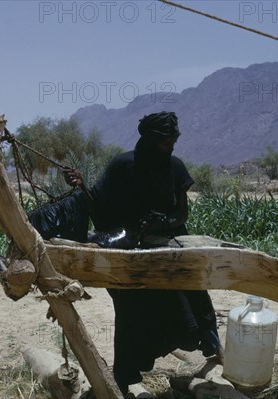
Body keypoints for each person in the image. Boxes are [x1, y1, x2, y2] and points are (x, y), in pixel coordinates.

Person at [64, 111, 221, 394]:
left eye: (173, 144)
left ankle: (213, 350)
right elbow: (98, 206)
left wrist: (164, 222)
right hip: (130, 251)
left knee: (194, 295)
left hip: (169, 246)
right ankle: (126, 374)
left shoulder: (174, 167)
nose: (170, 150)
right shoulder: (123, 166)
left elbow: (181, 212)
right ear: (149, 140)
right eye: (165, 145)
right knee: (130, 305)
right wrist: (80, 185)